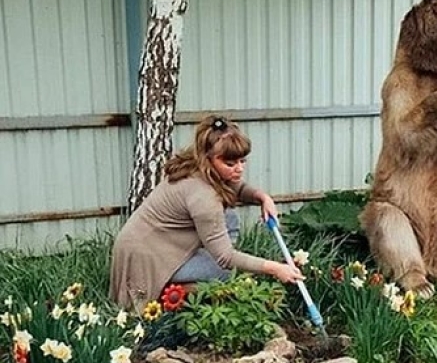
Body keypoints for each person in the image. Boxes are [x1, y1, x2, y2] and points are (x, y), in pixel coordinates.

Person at [109, 114, 304, 311]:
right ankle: (170, 294)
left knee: (229, 219)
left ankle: (186, 283)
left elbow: (235, 187)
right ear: (208, 158)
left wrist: (262, 197)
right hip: (149, 260)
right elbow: (226, 258)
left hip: (154, 244)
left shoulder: (197, 167)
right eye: (230, 164)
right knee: (228, 274)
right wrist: (275, 268)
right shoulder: (203, 196)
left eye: (242, 161)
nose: (239, 169)